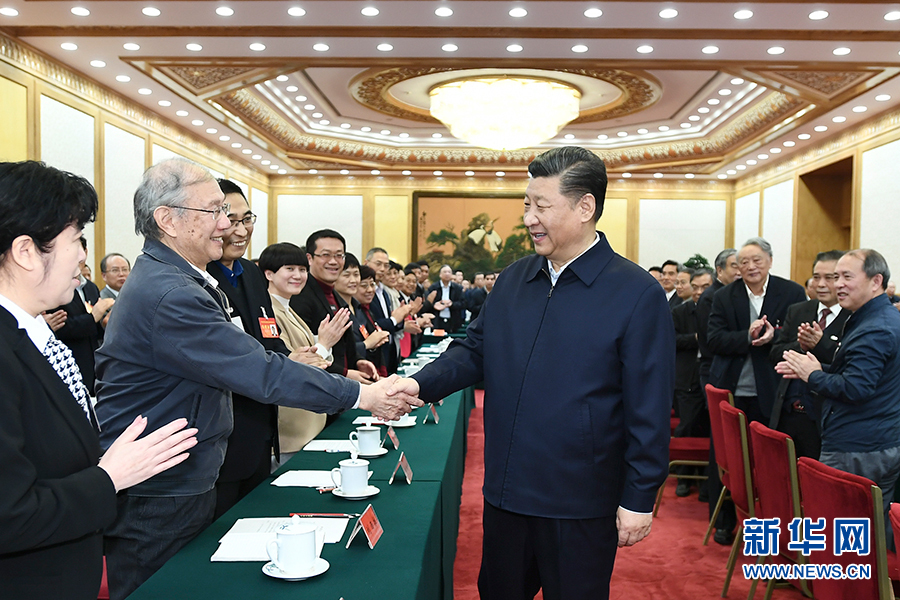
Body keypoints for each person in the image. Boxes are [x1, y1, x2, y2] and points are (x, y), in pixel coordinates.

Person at [94, 159, 420, 599]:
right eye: (214, 211)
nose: (227, 224)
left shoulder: (179, 279)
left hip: (177, 477)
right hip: (160, 489)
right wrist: (362, 396)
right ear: (168, 220)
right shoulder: (170, 293)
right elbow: (260, 370)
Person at [389, 146, 673, 600]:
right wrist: (418, 384)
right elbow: (475, 350)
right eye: (526, 204)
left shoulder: (636, 293)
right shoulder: (514, 279)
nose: (528, 219)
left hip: (581, 501)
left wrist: (639, 496)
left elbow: (649, 407)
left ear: (585, 207)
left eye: (542, 206)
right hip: (507, 492)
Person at [0, 160, 198, 600]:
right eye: (76, 239)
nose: (83, 256)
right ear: (26, 251)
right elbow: (9, 514)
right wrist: (109, 477)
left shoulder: (29, 337)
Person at [777, 249, 900, 547]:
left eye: (847, 277)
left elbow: (856, 389)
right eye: (836, 277)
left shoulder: (875, 328)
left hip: (857, 446)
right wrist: (821, 369)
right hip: (877, 441)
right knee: (868, 530)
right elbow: (863, 375)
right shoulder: (876, 317)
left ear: (876, 281)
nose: (838, 285)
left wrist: (813, 376)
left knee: (838, 529)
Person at [259, 242, 351, 463]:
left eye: (302, 269)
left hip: (309, 422)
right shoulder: (269, 312)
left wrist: (323, 342)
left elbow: (307, 352)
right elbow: (287, 366)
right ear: (269, 274)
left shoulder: (287, 308)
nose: (298, 276)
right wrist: (324, 344)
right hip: (291, 429)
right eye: (289, 269)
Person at [707, 237, 806, 425]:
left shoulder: (792, 292)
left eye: (757, 260)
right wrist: (747, 336)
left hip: (774, 387)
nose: (751, 267)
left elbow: (799, 339)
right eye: (744, 262)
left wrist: (773, 336)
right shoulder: (723, 296)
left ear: (770, 261)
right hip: (733, 386)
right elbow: (714, 340)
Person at [768, 250, 849, 459]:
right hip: (789, 411)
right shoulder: (798, 310)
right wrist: (802, 345)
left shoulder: (853, 316)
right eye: (816, 277)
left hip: (825, 416)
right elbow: (775, 353)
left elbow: (846, 364)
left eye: (829, 278)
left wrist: (820, 344)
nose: (820, 284)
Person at [290, 229, 380, 384]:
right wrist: (344, 373)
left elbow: (343, 344)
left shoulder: (335, 295)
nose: (333, 261)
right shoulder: (300, 296)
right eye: (326, 255)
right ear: (309, 258)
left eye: (339, 255)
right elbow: (305, 354)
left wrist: (357, 361)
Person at [45, 236, 114, 394]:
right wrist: (92, 317)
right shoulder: (55, 287)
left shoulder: (91, 287)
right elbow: (60, 326)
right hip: (69, 363)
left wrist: (104, 323)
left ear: (86, 252)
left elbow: (96, 327)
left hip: (94, 364)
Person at [671, 267, 713, 497]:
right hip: (687, 377)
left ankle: (706, 479)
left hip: (710, 377)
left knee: (709, 428)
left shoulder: (718, 309)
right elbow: (671, 339)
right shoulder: (680, 311)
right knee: (687, 426)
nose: (699, 292)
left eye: (705, 287)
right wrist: (696, 338)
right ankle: (683, 476)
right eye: (695, 287)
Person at [425, 264, 466, 332]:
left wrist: (452, 304)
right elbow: (427, 303)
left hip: (453, 321)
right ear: (440, 274)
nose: (447, 274)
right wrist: (435, 305)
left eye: (449, 272)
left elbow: (463, 303)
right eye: (445, 272)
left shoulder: (457, 288)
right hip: (437, 321)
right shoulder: (433, 287)